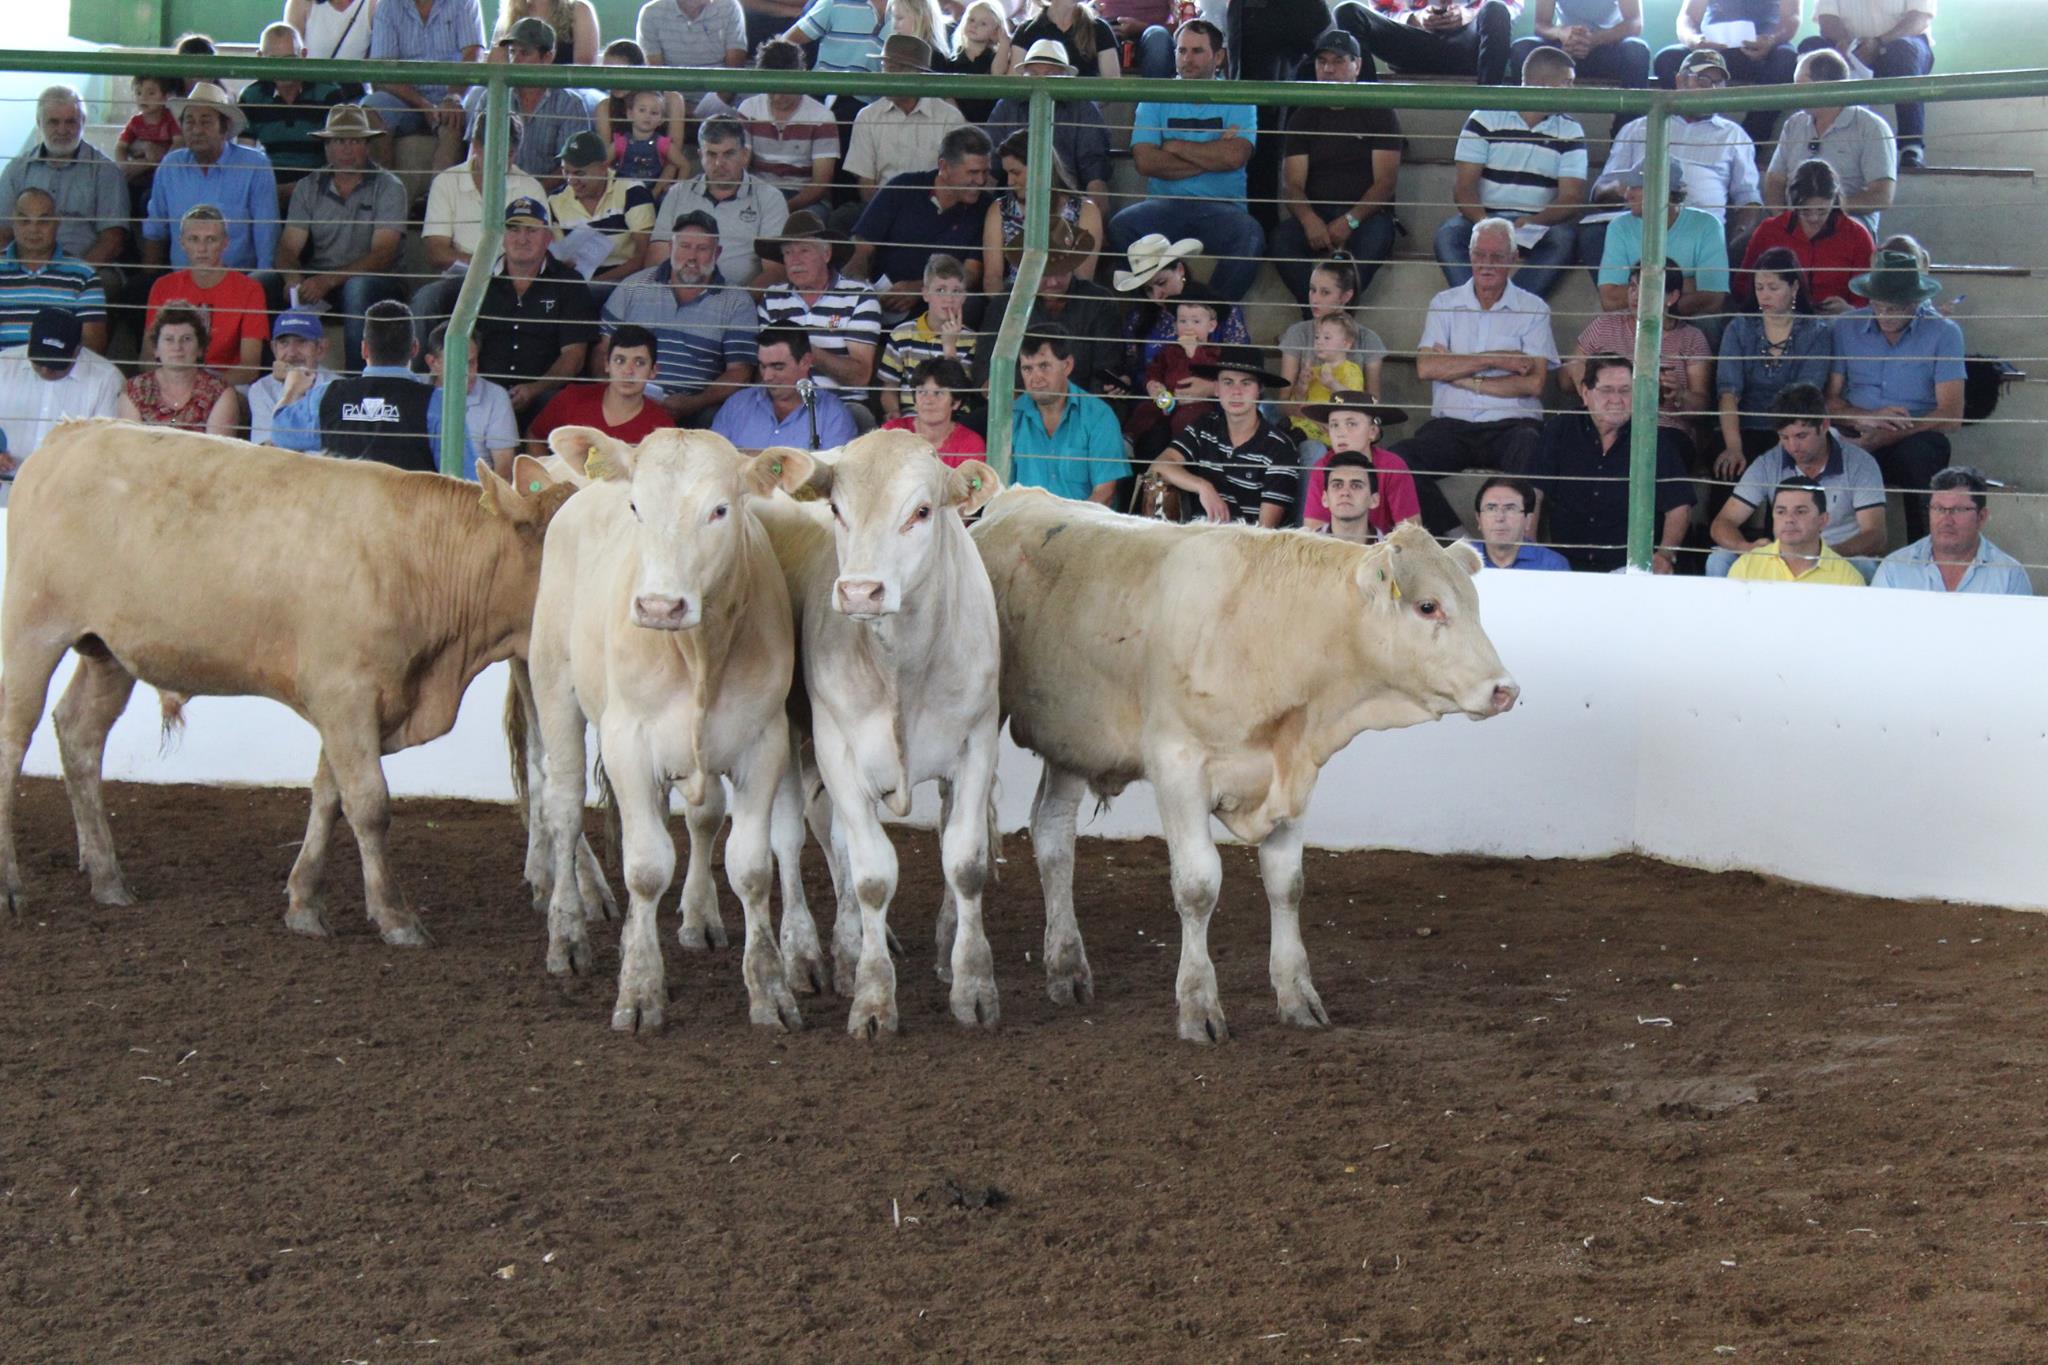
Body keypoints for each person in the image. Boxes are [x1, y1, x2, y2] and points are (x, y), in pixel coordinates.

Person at [1396, 216, 1558, 535]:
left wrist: (1459, 374)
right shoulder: (1445, 304)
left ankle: (1515, 543)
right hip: (1452, 427)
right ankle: (1458, 539)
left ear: (1513, 259)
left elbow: (1534, 383)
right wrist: (1496, 359)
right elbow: (1427, 368)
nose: (1486, 263)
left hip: (1512, 426)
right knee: (1398, 460)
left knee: (1533, 444)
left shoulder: (1534, 308)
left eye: (1497, 256)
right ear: (1469, 256)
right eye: (1479, 254)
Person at [1109, 21, 1264, 304]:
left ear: (1218, 57)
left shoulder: (1240, 97)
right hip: (1165, 205)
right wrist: (1212, 154)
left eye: (1196, 51)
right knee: (1121, 227)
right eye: (1181, 51)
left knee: (1251, 236)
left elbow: (1235, 157)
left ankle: (1209, 311)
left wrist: (1175, 147)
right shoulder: (1155, 97)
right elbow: (1145, 162)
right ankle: (1164, 304)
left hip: (1223, 209)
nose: (1186, 59)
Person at [1827, 246, 1965, 544]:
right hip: (1856, 427)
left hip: (1914, 432)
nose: (1885, 315)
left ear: (1915, 302)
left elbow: (1952, 414)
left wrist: (1888, 434)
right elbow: (1830, 400)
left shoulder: (1943, 333)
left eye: (1895, 307)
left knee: (1920, 456)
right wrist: (1868, 420)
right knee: (1809, 445)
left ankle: (1924, 550)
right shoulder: (1846, 327)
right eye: (1878, 305)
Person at [1437, 45, 1587, 300]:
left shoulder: (1570, 129)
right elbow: (1464, 187)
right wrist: (1486, 224)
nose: (1573, 91)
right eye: (1567, 83)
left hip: (1537, 223)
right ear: (1542, 85)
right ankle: (1475, 303)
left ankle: (1509, 308)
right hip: (1486, 216)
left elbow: (1571, 199)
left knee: (1564, 240)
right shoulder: (1485, 118)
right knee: (1448, 234)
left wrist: (1535, 221)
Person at [1528, 353, 1695, 573]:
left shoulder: (1652, 439)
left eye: (1625, 390)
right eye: (1606, 390)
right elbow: (1534, 491)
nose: (1617, 399)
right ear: (1586, 394)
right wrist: (1529, 545)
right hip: (1564, 565)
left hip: (1627, 569)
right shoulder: (1561, 429)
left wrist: (1665, 554)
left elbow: (1679, 506)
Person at [271, 103, 410, 368]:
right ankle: (274, 373)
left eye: (355, 141)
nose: (346, 149)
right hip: (321, 281)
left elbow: (383, 255)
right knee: (263, 283)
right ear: (326, 146)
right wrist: (292, 276)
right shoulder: (308, 186)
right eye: (339, 141)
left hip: (377, 282)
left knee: (358, 288)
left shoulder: (389, 187)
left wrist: (328, 280)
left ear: (367, 145)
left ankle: (357, 380)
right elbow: (288, 246)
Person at [1273, 30, 1403, 305]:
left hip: (1367, 217)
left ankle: (1324, 326)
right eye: (1322, 61)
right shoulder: (1304, 115)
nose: (1329, 69)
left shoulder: (1378, 111)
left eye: (1339, 61)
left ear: (1358, 65)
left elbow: (1386, 182)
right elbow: (1292, 184)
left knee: (1370, 246)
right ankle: (1323, 321)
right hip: (1316, 212)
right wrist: (1309, 220)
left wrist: (1350, 220)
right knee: (1281, 242)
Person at [1707, 382, 1886, 578]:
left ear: (1824, 425)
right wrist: (1746, 547)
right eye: (1785, 437)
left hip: (1838, 560)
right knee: (1719, 559)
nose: (1793, 447)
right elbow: (1723, 523)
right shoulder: (1769, 463)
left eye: (1801, 436)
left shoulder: (1859, 463)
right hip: (1781, 561)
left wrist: (1824, 556)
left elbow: (1875, 535)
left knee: (1865, 566)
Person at [604, 211, 760, 425]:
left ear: (718, 252)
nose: (692, 257)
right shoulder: (633, 287)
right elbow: (603, 348)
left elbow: (740, 371)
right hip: (627, 399)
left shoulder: (736, 301)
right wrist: (615, 392)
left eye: (702, 249)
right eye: (685, 246)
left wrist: (695, 402)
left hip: (693, 410)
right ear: (671, 248)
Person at [1594, 50, 1761, 241]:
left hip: (1700, 233)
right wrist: (1625, 189)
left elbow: (1748, 198)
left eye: (1719, 83)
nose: (1713, 90)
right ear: (1680, 81)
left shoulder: (1734, 135)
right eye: (1704, 80)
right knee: (1595, 235)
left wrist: (1738, 240)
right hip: (1637, 225)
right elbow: (1602, 188)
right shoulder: (1637, 128)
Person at [473, 197, 600, 424]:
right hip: (483, 395)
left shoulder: (569, 283)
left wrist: (535, 389)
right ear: (501, 236)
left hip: (546, 396)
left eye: (532, 230)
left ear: (548, 237)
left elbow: (574, 356)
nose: (522, 239)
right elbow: (465, 346)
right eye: (514, 229)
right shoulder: (478, 279)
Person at [415, 113, 546, 331]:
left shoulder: (531, 187)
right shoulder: (446, 182)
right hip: (460, 282)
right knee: (426, 301)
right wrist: (490, 266)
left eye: (510, 154)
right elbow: (436, 253)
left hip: (515, 282)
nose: (502, 162)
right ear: (476, 146)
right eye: (495, 153)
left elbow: (540, 250)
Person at [1715, 250, 1837, 477]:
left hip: (1794, 431)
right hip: (1744, 428)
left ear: (1794, 287)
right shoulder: (1739, 328)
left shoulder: (1816, 332)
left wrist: (1789, 443)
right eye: (1759, 288)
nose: (1764, 296)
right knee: (1730, 472)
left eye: (1773, 288)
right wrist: (1733, 447)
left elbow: (1806, 395)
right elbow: (1728, 393)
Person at [0, 88, 130, 300]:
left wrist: (72, 274)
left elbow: (113, 240)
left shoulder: (105, 171)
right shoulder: (16, 169)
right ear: (39, 123)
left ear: (83, 123)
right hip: (24, 266)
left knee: (106, 284)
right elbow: (2, 233)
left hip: (86, 267)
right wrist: (23, 271)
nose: (63, 130)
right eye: (53, 122)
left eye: (71, 122)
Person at [1147, 346, 1298, 527]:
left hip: (1247, 547)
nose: (1236, 391)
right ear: (1216, 388)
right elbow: (1160, 464)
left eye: (1246, 383)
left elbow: (1266, 531)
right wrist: (1203, 487)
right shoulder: (1205, 427)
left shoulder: (1279, 448)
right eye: (1228, 382)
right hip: (1197, 540)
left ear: (1259, 390)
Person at [848, 127, 993, 314]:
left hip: (939, 304)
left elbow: (971, 272)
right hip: (878, 297)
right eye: (973, 172)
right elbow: (862, 245)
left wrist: (922, 289)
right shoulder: (903, 187)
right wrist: (863, 289)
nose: (981, 181)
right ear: (944, 166)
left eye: (985, 172)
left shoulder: (986, 208)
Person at [142, 84, 281, 277]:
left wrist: (260, 285)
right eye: (189, 122)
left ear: (224, 128)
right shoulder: (171, 165)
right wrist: (152, 281)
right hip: (181, 287)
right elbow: (155, 230)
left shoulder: (255, 165)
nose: (196, 130)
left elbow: (266, 237)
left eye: (206, 122)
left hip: (239, 285)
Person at [1762, 49, 1900, 238]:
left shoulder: (1871, 127)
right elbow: (1775, 179)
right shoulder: (1795, 124)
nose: (1793, 93)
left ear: (1824, 85)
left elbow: (1882, 196)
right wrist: (1782, 218)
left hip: (1847, 225)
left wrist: (1825, 210)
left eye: (1799, 85)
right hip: (1794, 224)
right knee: (1749, 245)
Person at [975, 221, 1124, 394]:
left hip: (1082, 409)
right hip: (1017, 408)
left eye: (1060, 272)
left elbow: (1106, 372)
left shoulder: (1099, 303)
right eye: (1044, 274)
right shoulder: (1005, 303)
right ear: (1029, 270)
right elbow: (985, 370)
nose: (1053, 282)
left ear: (1072, 265)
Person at [1567, 263, 1711, 436]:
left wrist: (1680, 393)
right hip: (1605, 423)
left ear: (1672, 297)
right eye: (1633, 287)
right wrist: (1588, 392)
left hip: (1663, 429)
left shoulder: (1691, 338)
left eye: (1646, 289)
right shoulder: (1606, 324)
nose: (1635, 295)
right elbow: (1570, 369)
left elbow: (1702, 408)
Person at [981, 41, 1115, 223]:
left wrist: (1093, 219)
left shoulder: (1083, 108)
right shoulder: (1007, 106)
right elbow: (991, 167)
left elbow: (1095, 172)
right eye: (1033, 74)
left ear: (1064, 76)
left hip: (1068, 204)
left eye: (1050, 74)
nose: (1041, 81)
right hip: (1013, 203)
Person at [756, 212, 882, 404]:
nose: (795, 260)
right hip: (786, 406)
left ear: (826, 254)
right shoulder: (772, 297)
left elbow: (860, 376)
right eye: (788, 253)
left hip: (844, 405)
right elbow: (766, 367)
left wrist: (802, 349)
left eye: (804, 250)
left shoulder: (859, 296)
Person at [1589, 156, 1729, 324]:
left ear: (1663, 191)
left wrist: (1641, 292)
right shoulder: (1619, 226)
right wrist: (1682, 284)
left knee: (1707, 322)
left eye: (1636, 187)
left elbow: (1712, 300)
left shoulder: (1708, 225)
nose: (1627, 195)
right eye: (1628, 187)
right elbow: (1610, 299)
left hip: (1685, 322)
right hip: (1635, 320)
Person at [650, 118, 789, 287]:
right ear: (701, 156)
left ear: (745, 155)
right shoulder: (678, 193)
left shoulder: (770, 198)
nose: (719, 163)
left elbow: (775, 271)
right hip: (678, 294)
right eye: (711, 154)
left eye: (729, 154)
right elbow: (656, 258)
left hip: (742, 300)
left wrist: (738, 305)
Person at [1800, 0, 1936, 169]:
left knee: (1903, 50)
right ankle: (1814, 140)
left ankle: (1911, 146)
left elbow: (1918, 19)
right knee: (1811, 46)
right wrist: (1847, 43)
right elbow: (1827, 18)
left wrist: (1878, 42)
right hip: (1851, 47)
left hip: (1900, 45)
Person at [466, 19, 596, 190]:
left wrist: (532, 193)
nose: (515, 60)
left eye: (525, 53)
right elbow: (475, 153)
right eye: (512, 52)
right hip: (495, 193)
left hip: (550, 200)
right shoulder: (490, 97)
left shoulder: (570, 104)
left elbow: (573, 164)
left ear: (548, 57)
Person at [147, 206, 268, 390]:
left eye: (211, 239)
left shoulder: (250, 289)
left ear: (225, 243)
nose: (202, 249)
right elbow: (148, 356)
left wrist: (203, 389)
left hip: (227, 382)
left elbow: (249, 367)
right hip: (173, 378)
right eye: (194, 239)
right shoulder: (163, 287)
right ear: (182, 243)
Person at [1738, 158, 1874, 314]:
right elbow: (1743, 287)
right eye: (1805, 211)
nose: (1814, 218)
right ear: (1794, 203)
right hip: (1777, 319)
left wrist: (1849, 310)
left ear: (1834, 202)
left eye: (1822, 211)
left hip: (1835, 323)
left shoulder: (1857, 236)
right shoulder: (1770, 230)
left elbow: (1869, 299)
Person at [1008, 325, 1128, 502]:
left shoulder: (1098, 415)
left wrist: (1067, 529)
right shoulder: (1011, 416)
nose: (1036, 378)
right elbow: (1001, 488)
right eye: (1027, 369)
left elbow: (1105, 493)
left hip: (1084, 526)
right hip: (1025, 526)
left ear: (1067, 366)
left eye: (1044, 366)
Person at [1655, 0, 1800, 147]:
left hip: (1763, 49)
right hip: (1712, 50)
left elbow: (1791, 17)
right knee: (1666, 59)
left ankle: (1749, 143)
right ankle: (1688, 127)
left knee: (1786, 59)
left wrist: (1771, 39)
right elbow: (1687, 18)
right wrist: (1695, 41)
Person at [1872, 465, 2032, 595]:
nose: (1946, 520)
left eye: (1958, 510)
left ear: (1981, 517)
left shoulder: (2009, 575)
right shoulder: (1894, 568)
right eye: (1939, 509)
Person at [845, 37, 970, 201]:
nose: (887, 76)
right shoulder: (867, 116)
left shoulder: (949, 117)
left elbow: (955, 179)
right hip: (882, 206)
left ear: (919, 73)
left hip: (934, 208)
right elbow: (866, 182)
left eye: (895, 69)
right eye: (884, 68)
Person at [317, 299, 435, 470]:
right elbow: (463, 473)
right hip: (407, 496)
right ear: (415, 348)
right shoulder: (437, 402)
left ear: (364, 349)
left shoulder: (325, 395)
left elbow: (281, 435)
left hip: (345, 496)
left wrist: (291, 391)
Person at [527, 323, 677, 454]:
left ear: (653, 371)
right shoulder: (572, 398)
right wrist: (543, 484)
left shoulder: (662, 427)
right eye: (620, 360)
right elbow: (535, 436)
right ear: (606, 364)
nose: (628, 371)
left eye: (639, 363)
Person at [0, 308, 122, 467]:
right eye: (38, 361)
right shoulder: (4, 365)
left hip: (70, 486)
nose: (45, 370)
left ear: (77, 350)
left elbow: (109, 447)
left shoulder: (107, 380)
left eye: (55, 366)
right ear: (30, 337)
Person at [1115, 233, 1252, 373]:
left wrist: (1211, 387)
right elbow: (1132, 369)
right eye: (1148, 290)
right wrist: (1123, 381)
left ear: (1180, 270)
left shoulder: (1222, 309)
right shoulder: (1137, 318)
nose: (1157, 295)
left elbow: (1243, 367)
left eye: (1162, 282)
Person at [982, 132, 1104, 287]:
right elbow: (992, 278)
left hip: (1065, 299)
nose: (1010, 181)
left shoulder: (1086, 210)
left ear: (1039, 169)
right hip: (1014, 300)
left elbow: (1083, 279)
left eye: (1016, 173)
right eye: (1007, 173)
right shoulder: (1000, 210)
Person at [238, 24, 345, 199]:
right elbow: (245, 155)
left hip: (320, 190)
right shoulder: (251, 96)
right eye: (274, 60)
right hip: (268, 189)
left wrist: (304, 189)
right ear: (260, 58)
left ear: (303, 55)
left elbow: (339, 158)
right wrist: (269, 190)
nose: (282, 68)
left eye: (289, 58)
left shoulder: (328, 93)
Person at [710, 327, 858, 451]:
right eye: (762, 366)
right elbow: (711, 461)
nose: (767, 377)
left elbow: (834, 476)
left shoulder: (832, 414)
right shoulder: (737, 405)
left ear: (805, 362)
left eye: (778, 367)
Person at [1298, 392, 1423, 536]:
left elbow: (1410, 532)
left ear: (1372, 432)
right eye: (1334, 425)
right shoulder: (1322, 468)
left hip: (1382, 551)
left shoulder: (1393, 466)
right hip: (1334, 552)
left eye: (1351, 424)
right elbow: (1314, 532)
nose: (1340, 433)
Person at [0, 189, 107, 356]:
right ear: (13, 222)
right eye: (24, 221)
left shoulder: (83, 274)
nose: (33, 229)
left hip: (60, 374)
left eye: (43, 221)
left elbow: (92, 346)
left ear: (57, 223)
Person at [738, 42, 839, 217]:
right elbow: (740, 169)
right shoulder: (748, 110)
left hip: (804, 199)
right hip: (756, 194)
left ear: (800, 77)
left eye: (785, 89)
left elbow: (820, 183)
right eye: (771, 89)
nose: (777, 97)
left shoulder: (822, 118)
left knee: (809, 221)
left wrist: (783, 208)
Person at [549, 131, 658, 291]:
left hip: (626, 284)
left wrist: (595, 284)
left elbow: (644, 256)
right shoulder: (555, 201)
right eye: (566, 171)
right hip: (577, 285)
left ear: (603, 168)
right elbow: (558, 259)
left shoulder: (632, 191)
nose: (571, 180)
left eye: (580, 173)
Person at [362, 0, 486, 141]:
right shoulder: (388, 6)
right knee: (372, 107)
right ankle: (380, 163)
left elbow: (473, 54)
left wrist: (453, 98)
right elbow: (383, 69)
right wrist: (423, 105)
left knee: (454, 121)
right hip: (406, 101)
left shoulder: (465, 2)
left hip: (455, 97)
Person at [1277, 256, 1387, 413]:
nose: (1314, 299)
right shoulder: (1297, 333)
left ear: (1346, 296)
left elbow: (1374, 402)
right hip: (1307, 424)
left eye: (1325, 292)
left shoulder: (1368, 339)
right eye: (1312, 290)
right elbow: (1283, 401)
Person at [1511, 1, 1649, 120]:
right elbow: (1541, 25)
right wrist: (1561, 33)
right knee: (1521, 49)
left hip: (1607, 44)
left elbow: (1635, 22)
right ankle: (1525, 128)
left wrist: (1595, 39)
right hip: (1565, 46)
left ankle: (1628, 134)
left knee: (1637, 51)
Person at [878, 254, 977, 419]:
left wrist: (949, 347)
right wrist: (893, 411)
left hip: (953, 420)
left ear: (964, 297)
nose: (949, 299)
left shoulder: (972, 339)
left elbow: (959, 393)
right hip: (911, 420)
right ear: (925, 294)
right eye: (940, 290)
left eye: (956, 291)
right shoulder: (901, 334)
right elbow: (889, 387)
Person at [119, 303, 240, 438]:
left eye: (186, 339)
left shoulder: (219, 392)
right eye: (169, 339)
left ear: (200, 348)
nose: (177, 347)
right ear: (156, 349)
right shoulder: (134, 390)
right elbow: (131, 449)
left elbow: (219, 453)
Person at [1335, 0, 1523, 86]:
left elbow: (1512, 5)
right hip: (1413, 42)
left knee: (1496, 10)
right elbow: (1382, 8)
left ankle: (1487, 112)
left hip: (1468, 43)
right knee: (1347, 11)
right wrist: (1413, 18)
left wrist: (1468, 14)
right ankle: (1374, 109)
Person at [425, 324, 521, 478]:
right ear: (432, 363)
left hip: (476, 492)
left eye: (471, 363)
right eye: (457, 364)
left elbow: (505, 467)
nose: (467, 374)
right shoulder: (416, 391)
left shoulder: (496, 396)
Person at [1728, 483, 1868, 585]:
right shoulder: (1746, 566)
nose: (1789, 519)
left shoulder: (1847, 578)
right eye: (1781, 512)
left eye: (1800, 511)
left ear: (1823, 520)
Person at [248, 309, 339, 452]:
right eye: (284, 343)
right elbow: (266, 450)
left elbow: (332, 449)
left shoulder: (337, 387)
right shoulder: (261, 389)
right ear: (274, 348)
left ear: (320, 349)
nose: (291, 353)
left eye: (301, 342)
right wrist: (292, 390)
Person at [635, 0, 747, 110]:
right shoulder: (651, 13)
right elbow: (656, 78)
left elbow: (734, 73)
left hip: (721, 100)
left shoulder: (730, 7)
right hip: (671, 103)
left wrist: (712, 107)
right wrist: (680, 109)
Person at [881, 357, 986, 466]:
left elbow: (973, 482)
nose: (928, 400)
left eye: (938, 393)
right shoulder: (891, 432)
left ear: (956, 402)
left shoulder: (970, 444)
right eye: (922, 392)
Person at [1468, 475, 1570, 568]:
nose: (1499, 518)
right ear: (1479, 519)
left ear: (1528, 520)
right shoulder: (1460, 561)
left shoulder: (1552, 565)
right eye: (1491, 508)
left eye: (1510, 509)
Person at [943, 2, 1017, 124]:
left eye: (983, 24)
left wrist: (1004, 44)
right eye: (971, 20)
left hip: (989, 119)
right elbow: (948, 94)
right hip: (960, 117)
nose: (975, 26)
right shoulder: (953, 59)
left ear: (995, 31)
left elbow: (997, 74)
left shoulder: (993, 57)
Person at [116, 75, 184, 205]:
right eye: (138, 93)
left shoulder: (170, 119)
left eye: (151, 93)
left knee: (148, 198)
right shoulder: (135, 122)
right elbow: (121, 146)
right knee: (123, 193)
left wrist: (157, 162)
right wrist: (123, 165)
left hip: (163, 174)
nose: (143, 98)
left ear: (165, 97)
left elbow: (178, 144)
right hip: (139, 175)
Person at [1015, 0, 1122, 77]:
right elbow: (1014, 79)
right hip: (1032, 105)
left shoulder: (1099, 28)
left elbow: (1112, 82)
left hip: (1083, 104)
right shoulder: (1027, 30)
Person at [288, 0, 379, 72]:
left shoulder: (374, 5)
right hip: (313, 90)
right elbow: (289, 58)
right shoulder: (300, 3)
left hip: (354, 92)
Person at [1316, 452, 1381, 545]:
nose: (1345, 492)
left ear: (1374, 500)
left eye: (1356, 486)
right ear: (1325, 498)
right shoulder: (1301, 552)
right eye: (1337, 485)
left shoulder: (1393, 554)